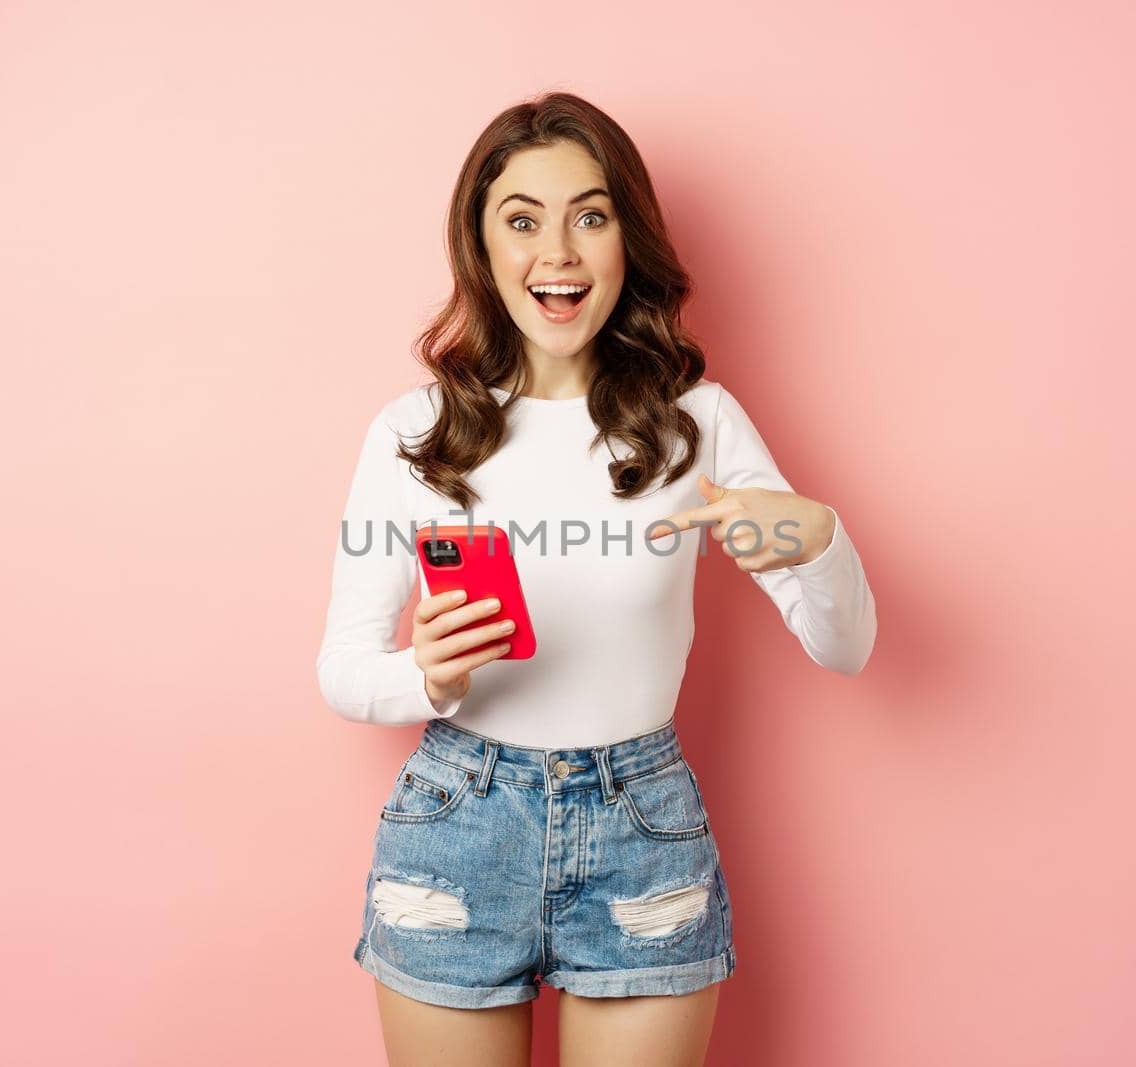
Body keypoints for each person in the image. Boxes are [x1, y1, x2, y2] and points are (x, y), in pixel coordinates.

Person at [316, 91, 878, 1067]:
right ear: (483, 251)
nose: (559, 252)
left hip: (641, 828)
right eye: (522, 221)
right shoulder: (414, 433)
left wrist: (821, 540)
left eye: (590, 214)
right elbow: (342, 667)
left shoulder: (697, 423)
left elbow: (847, 647)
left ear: (628, 237)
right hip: (457, 821)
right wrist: (428, 676)